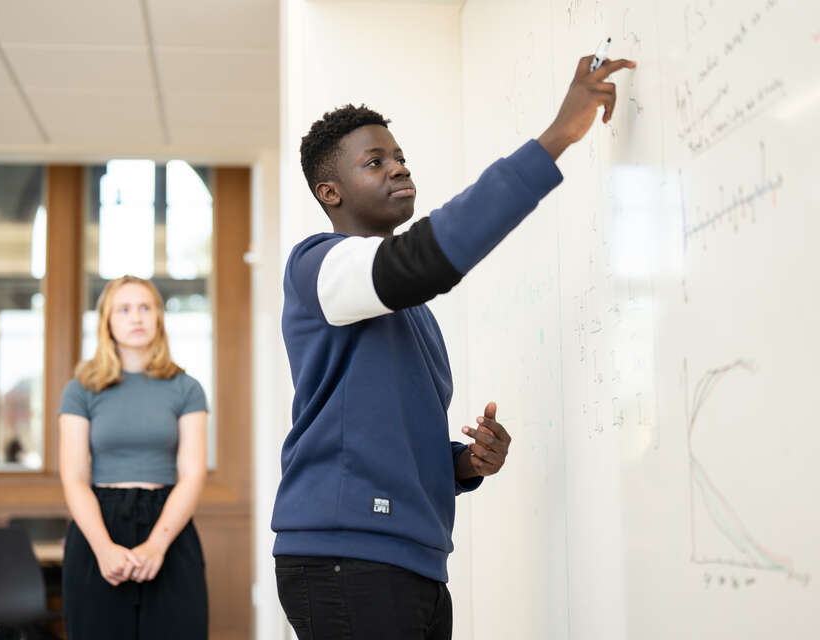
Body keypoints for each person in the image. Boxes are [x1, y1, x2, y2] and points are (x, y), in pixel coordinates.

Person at [273, 55, 636, 639]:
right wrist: (558, 137)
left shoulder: (411, 312)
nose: (397, 169)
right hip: (348, 556)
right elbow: (421, 260)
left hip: (413, 559)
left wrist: (465, 463)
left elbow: (384, 430)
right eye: (375, 162)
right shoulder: (319, 266)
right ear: (330, 192)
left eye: (399, 157)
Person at [59, 275, 209, 639]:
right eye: (124, 309)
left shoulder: (186, 388)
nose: (136, 317)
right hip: (99, 525)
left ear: (158, 317)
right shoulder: (81, 389)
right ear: (107, 321)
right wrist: (104, 548)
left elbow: (192, 474)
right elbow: (74, 478)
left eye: (145, 308)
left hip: (168, 526)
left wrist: (157, 544)